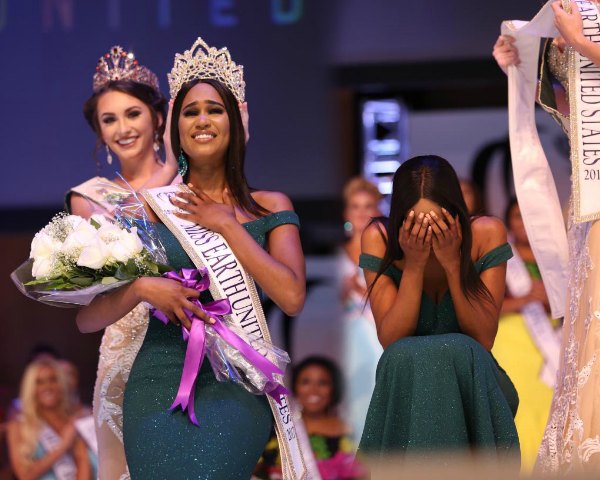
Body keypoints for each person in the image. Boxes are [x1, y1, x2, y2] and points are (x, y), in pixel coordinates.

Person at [75, 37, 306, 479]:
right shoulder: (145, 210)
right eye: (191, 111)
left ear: (235, 122)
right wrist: (142, 287)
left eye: (214, 109)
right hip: (155, 384)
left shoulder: (271, 206)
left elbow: (293, 297)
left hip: (236, 387)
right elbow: (87, 319)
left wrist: (228, 226)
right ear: (174, 128)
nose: (202, 120)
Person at [493, 2, 600, 472]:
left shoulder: (577, 25)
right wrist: (521, 66)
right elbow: (581, 123)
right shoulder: (562, 9)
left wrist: (578, 44)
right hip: (588, 199)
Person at [357, 155, 519, 460]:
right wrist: (414, 266)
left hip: (472, 386)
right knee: (403, 355)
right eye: (415, 224)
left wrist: (452, 264)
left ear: (456, 213)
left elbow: (483, 339)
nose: (427, 233)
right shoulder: (379, 237)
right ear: (398, 220)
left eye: (437, 222)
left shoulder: (486, 232)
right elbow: (392, 339)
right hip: (408, 386)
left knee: (459, 348)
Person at [65, 46, 172, 480]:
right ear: (99, 132)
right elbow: (86, 303)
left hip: (192, 341)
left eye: (133, 114)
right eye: (109, 120)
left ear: (158, 119)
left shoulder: (191, 181)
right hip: (123, 353)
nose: (123, 128)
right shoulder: (88, 198)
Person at [491, 199, 557, 472]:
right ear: (510, 222)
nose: (524, 221)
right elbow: (484, 306)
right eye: (518, 215)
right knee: (519, 414)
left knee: (549, 414)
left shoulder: (557, 257)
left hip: (551, 345)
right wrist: (526, 299)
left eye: (530, 214)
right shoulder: (500, 257)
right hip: (511, 342)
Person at [255, 356, 363, 480]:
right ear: (295, 386)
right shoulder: (279, 429)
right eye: (305, 382)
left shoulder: (354, 431)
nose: (313, 390)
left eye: (323, 383)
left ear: (334, 387)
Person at [339, 177, 383, 445]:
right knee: (351, 404)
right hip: (346, 342)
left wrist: (365, 291)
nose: (362, 213)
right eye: (356, 206)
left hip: (378, 337)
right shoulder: (334, 254)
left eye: (368, 206)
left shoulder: (391, 255)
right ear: (347, 213)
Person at [7, 359, 94, 480]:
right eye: (39, 382)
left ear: (62, 383)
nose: (47, 387)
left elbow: (84, 462)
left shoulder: (74, 422)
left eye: (53, 379)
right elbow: (24, 475)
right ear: (31, 387)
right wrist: (63, 445)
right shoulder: (18, 426)